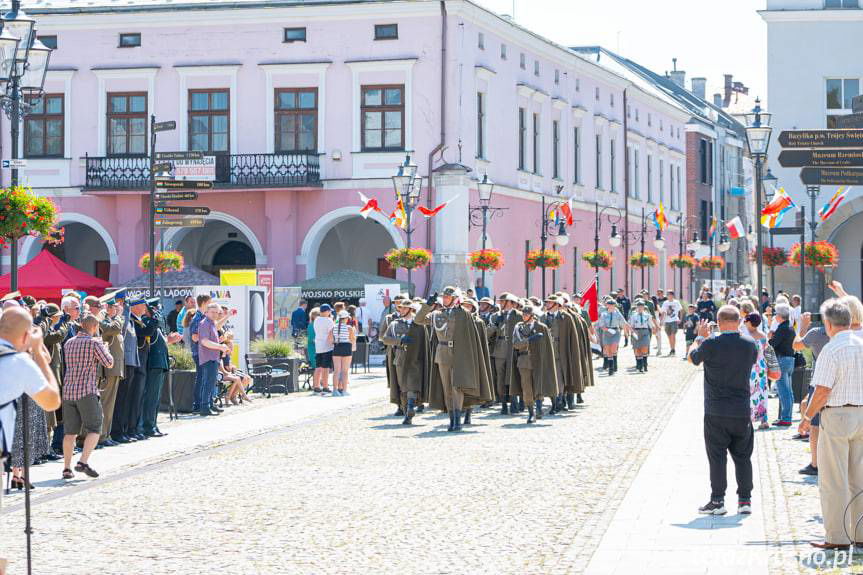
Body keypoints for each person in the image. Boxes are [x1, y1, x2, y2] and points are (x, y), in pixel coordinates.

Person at [797, 299, 863, 550]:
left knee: (834, 479)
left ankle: (837, 536)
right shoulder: (861, 344)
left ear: (828, 324)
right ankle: (860, 532)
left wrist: (806, 419)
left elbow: (822, 391)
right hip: (861, 413)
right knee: (859, 478)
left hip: (837, 416)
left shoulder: (832, 349)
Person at [689, 305, 758, 516]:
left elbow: (693, 359)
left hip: (716, 409)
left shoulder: (711, 343)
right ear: (739, 321)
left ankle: (718, 500)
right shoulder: (750, 344)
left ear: (718, 323)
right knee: (743, 457)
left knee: (717, 457)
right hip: (741, 409)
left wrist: (698, 338)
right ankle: (745, 500)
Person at [416, 287, 490, 432]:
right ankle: (451, 419)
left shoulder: (463, 314)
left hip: (459, 354)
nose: (444, 299)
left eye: (447, 297)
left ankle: (457, 420)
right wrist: (427, 305)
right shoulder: (437, 314)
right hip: (442, 355)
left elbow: (469, 337)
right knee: (447, 389)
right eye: (443, 297)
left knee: (457, 387)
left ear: (455, 299)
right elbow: (418, 320)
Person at [61, 313, 114, 479]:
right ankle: (83, 462)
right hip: (86, 390)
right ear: (93, 327)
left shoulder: (68, 343)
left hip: (69, 391)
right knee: (95, 427)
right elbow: (109, 362)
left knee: (70, 433)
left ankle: (67, 468)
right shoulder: (94, 343)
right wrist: (104, 346)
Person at [381, 300, 430, 424]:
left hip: (415, 358)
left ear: (410, 309)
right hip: (400, 357)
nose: (401, 310)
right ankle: (407, 409)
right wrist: (400, 341)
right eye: (400, 308)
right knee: (403, 386)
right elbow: (385, 339)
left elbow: (425, 342)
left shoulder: (419, 323)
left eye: (404, 308)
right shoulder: (394, 324)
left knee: (412, 384)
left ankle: (410, 407)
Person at [793, 311, 830, 476]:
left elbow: (796, 345)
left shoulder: (815, 334)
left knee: (815, 425)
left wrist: (802, 327)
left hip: (819, 381)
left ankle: (815, 463)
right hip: (840, 384)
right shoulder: (850, 333)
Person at [512, 305, 558, 424]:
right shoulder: (518, 328)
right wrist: (529, 340)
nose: (524, 316)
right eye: (523, 314)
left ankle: (539, 408)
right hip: (524, 361)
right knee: (527, 388)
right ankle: (531, 413)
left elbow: (547, 347)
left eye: (526, 314)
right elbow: (516, 344)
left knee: (539, 384)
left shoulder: (541, 327)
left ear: (532, 316)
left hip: (539, 360)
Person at [97, 296, 124, 447]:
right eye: (113, 307)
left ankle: (106, 434)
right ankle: (101, 435)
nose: (116, 309)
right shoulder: (105, 322)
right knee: (106, 403)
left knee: (109, 405)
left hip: (114, 368)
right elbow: (114, 329)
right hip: (108, 369)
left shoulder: (109, 320)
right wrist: (118, 317)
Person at [488, 292, 520, 414]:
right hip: (500, 349)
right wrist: (495, 325)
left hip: (513, 348)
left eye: (503, 301)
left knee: (513, 376)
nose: (501, 304)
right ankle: (503, 404)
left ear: (511, 303)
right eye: (500, 302)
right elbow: (488, 335)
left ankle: (514, 402)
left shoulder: (519, 316)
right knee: (500, 378)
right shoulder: (496, 316)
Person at [196, 302, 229, 417]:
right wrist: (221, 346)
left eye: (217, 312)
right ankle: (204, 407)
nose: (215, 314)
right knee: (208, 383)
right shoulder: (205, 323)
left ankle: (209, 404)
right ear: (207, 312)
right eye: (213, 312)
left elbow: (217, 327)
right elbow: (204, 341)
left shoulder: (211, 323)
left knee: (211, 382)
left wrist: (219, 344)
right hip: (208, 357)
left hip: (213, 357)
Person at [769, 303, 796, 427]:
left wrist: (770, 338)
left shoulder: (782, 328)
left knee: (784, 391)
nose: (774, 316)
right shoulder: (790, 327)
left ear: (780, 315)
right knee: (788, 391)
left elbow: (773, 344)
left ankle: (786, 418)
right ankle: (786, 417)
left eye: (775, 314)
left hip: (782, 360)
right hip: (790, 359)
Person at [743, 313, 770, 431]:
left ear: (750, 322)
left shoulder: (747, 336)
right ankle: (764, 420)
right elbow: (767, 351)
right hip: (762, 367)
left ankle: (749, 418)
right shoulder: (763, 335)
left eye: (746, 320)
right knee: (762, 392)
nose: (744, 322)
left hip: (751, 367)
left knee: (750, 392)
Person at [596, 297, 627, 376]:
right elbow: (601, 325)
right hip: (606, 333)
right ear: (607, 306)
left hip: (616, 332)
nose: (612, 306)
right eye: (610, 305)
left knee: (614, 347)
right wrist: (608, 330)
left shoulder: (617, 313)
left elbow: (623, 322)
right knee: (608, 350)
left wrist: (629, 331)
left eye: (613, 305)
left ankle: (613, 366)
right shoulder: (604, 314)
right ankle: (611, 367)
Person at [329, 310, 356, 397]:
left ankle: (335, 390)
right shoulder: (349, 328)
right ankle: (344, 390)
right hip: (346, 347)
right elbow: (352, 339)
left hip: (337, 347)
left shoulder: (334, 327)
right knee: (345, 371)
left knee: (336, 371)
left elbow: (330, 339)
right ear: (346, 318)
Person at [627, 299, 658, 373]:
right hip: (636, 331)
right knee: (637, 349)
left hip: (645, 332)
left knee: (645, 348)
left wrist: (654, 329)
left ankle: (645, 365)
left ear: (644, 307)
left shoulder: (647, 315)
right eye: (638, 306)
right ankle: (639, 366)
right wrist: (632, 332)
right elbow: (631, 325)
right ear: (636, 307)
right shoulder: (633, 316)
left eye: (641, 306)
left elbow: (650, 324)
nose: (640, 308)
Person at [313, 304, 335, 394]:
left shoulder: (316, 320)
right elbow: (332, 332)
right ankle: (325, 386)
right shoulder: (329, 321)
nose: (330, 313)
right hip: (327, 346)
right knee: (326, 368)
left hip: (318, 346)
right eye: (329, 311)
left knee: (318, 367)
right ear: (326, 311)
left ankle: (316, 386)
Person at [659, 290, 683, 356]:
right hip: (667, 321)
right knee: (669, 336)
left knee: (673, 335)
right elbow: (663, 312)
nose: (669, 296)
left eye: (670, 295)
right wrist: (661, 321)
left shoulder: (676, 302)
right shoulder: (665, 303)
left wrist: (680, 319)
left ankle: (673, 349)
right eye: (668, 295)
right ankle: (671, 349)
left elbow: (681, 310)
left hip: (674, 321)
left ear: (673, 295)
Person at [306, 307, 319, 372]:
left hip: (316, 349)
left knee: (318, 368)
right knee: (317, 368)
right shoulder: (311, 325)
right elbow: (312, 339)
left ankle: (320, 381)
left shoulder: (311, 325)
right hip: (314, 349)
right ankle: (318, 382)